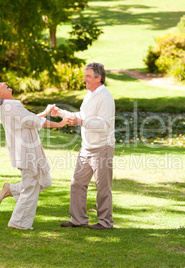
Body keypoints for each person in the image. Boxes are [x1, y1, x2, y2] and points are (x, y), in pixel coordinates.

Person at [0, 80, 68, 230]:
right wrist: (60, 124)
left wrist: (45, 112)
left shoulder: (7, 107)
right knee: (31, 186)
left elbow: (28, 120)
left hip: (26, 151)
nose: (3, 83)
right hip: (26, 152)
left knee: (44, 181)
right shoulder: (11, 105)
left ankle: (12, 189)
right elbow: (32, 121)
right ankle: (18, 222)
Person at [51, 62, 115, 230]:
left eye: (87, 76)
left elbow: (104, 125)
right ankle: (78, 219)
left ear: (98, 78)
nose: (84, 79)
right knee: (77, 183)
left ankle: (105, 222)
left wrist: (80, 122)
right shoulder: (90, 94)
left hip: (102, 148)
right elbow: (83, 115)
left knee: (102, 187)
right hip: (86, 147)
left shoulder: (105, 97)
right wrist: (62, 114)